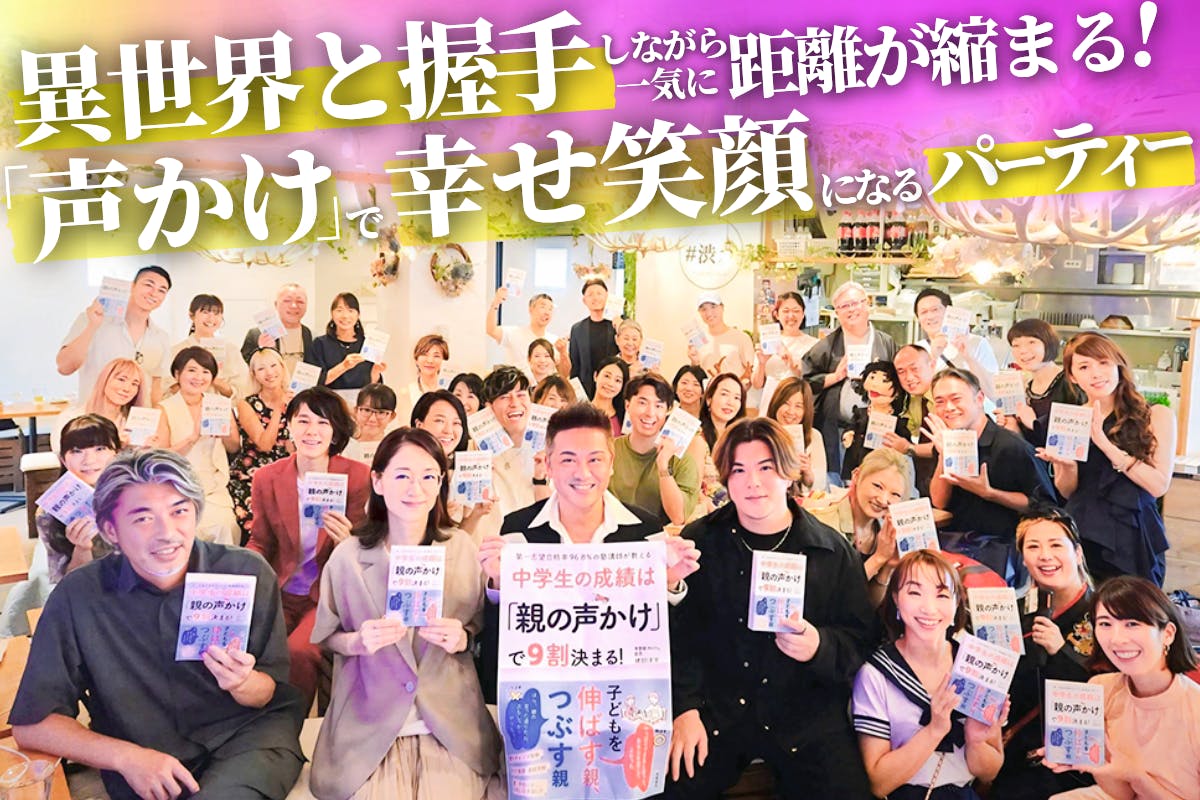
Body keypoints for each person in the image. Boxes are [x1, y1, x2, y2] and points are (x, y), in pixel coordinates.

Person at [11, 449, 305, 800]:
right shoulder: (79, 596)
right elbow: (32, 724)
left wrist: (242, 682)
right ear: (110, 530)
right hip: (144, 753)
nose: (168, 533)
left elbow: (267, 692)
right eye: (143, 518)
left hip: (248, 739)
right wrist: (125, 757)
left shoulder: (246, 572)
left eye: (179, 511)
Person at [667, 417, 875, 799]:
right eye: (738, 470)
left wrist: (819, 645)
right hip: (719, 710)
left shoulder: (831, 550)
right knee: (667, 787)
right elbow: (681, 637)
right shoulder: (701, 543)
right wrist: (685, 708)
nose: (753, 482)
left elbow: (862, 641)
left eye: (766, 468)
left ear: (788, 472)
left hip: (804, 713)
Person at [308, 428, 501, 800]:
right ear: (378, 481)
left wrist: (462, 638)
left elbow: (479, 630)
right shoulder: (348, 556)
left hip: (448, 720)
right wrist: (358, 641)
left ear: (441, 482)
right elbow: (328, 636)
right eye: (402, 476)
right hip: (370, 720)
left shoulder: (461, 548)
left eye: (429, 476)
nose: (417, 489)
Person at [476, 402, 701, 703]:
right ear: (549, 465)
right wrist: (498, 584)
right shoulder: (518, 532)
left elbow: (666, 643)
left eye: (595, 459)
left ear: (611, 463)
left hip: (622, 699)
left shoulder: (645, 532)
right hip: (546, 699)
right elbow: (503, 643)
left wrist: (669, 583)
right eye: (568, 459)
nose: (583, 473)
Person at [247, 387, 372, 710]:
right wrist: (245, 574)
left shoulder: (357, 476)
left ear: (335, 432)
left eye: (322, 423)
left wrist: (347, 542)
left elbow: (366, 544)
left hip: (327, 593)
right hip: (280, 589)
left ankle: (292, 722)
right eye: (303, 421)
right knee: (252, 644)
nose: (311, 431)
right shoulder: (267, 477)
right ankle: (256, 720)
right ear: (289, 425)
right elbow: (260, 541)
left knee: (300, 652)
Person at [852, 550, 1006, 800]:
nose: (929, 608)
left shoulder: (977, 665)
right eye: (914, 592)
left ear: (957, 603)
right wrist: (935, 729)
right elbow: (879, 784)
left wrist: (976, 740)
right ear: (896, 599)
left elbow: (989, 773)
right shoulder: (876, 674)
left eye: (942, 595)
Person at [1041, 576, 1200, 800]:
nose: (1117, 639)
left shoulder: (1195, 710)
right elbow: (1121, 795)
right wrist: (1097, 761)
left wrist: (1136, 776)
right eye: (1105, 624)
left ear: (1168, 634)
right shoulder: (1102, 688)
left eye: (1132, 624)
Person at [1037, 332, 1174, 585]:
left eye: (1103, 363)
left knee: (1134, 604)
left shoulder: (1155, 415)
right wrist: (1066, 466)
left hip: (1134, 533)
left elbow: (1158, 485)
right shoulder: (1070, 419)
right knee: (1084, 604)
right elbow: (1068, 491)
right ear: (1072, 376)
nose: (1096, 373)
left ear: (1118, 365)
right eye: (1084, 367)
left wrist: (1104, 443)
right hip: (1083, 530)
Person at [991, 507, 1099, 800]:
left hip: (1072, 754)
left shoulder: (1104, 615)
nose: (1045, 556)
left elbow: (1109, 690)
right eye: (1033, 547)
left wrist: (1059, 651)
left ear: (1077, 553)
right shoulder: (1015, 610)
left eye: (1055, 545)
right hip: (1007, 740)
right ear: (1023, 559)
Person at [925, 367, 1056, 586]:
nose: (948, 408)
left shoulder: (1011, 446)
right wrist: (943, 455)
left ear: (979, 399)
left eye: (956, 399)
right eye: (940, 401)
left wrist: (990, 493)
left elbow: (1044, 506)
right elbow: (939, 501)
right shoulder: (947, 441)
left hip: (1000, 556)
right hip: (956, 550)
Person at [802, 281, 898, 481]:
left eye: (856, 303)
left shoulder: (886, 343)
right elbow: (805, 382)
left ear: (867, 303)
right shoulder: (826, 345)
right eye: (844, 306)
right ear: (837, 312)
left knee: (874, 478)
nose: (852, 309)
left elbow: (898, 385)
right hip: (835, 430)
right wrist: (835, 376)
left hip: (876, 427)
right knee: (836, 480)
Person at [155, 346, 240, 545]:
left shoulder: (219, 404)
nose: (199, 377)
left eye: (205, 371)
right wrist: (192, 438)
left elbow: (234, 447)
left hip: (214, 487)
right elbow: (161, 456)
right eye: (192, 370)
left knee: (226, 526)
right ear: (177, 374)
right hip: (177, 486)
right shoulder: (165, 408)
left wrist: (226, 433)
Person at [810, 448, 911, 606]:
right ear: (856, 476)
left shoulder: (885, 534)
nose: (883, 500)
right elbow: (828, 599)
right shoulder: (822, 526)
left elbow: (870, 606)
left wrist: (888, 568)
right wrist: (878, 559)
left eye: (895, 494)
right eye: (877, 486)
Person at [57, 265, 172, 402]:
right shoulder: (93, 320)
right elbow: (64, 367)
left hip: (138, 414)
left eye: (161, 290)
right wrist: (92, 326)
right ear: (132, 286)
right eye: (148, 285)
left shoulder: (161, 338)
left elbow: (156, 386)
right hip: (96, 413)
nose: (154, 293)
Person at [37, 414, 119, 584]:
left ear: (117, 453)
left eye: (100, 449)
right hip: (94, 592)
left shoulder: (138, 495)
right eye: (76, 451)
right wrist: (82, 549)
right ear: (63, 460)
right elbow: (65, 584)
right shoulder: (50, 512)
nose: (89, 460)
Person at [611, 373, 701, 526]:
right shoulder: (609, 451)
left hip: (658, 538)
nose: (650, 413)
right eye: (642, 403)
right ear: (627, 405)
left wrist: (663, 467)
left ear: (668, 410)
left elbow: (678, 517)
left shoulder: (682, 461)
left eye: (658, 406)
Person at [229, 348, 294, 544]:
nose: (269, 372)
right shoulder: (246, 404)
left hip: (287, 470)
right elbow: (265, 444)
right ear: (254, 374)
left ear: (282, 367)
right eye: (261, 368)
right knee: (259, 527)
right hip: (253, 473)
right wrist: (279, 410)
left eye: (274, 366)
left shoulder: (296, 399)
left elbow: (295, 445)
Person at [1004, 318, 1084, 447]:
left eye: (1031, 342)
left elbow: (1075, 443)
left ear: (1049, 344)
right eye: (1016, 345)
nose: (1023, 350)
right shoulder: (1026, 389)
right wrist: (1014, 428)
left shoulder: (1071, 383)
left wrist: (1033, 423)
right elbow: (1030, 446)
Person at [50, 356, 153, 452]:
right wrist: (116, 447)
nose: (127, 388)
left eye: (134, 384)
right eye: (121, 379)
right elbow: (63, 454)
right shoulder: (71, 418)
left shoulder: (132, 423)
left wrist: (146, 449)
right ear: (105, 379)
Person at [913, 288, 1000, 397]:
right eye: (923, 312)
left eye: (935, 309)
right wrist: (933, 357)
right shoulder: (916, 350)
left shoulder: (976, 343)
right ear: (918, 319)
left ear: (949, 312)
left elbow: (993, 392)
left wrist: (969, 357)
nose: (930, 316)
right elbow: (916, 392)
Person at [164, 294, 249, 400]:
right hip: (185, 408)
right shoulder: (176, 351)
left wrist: (216, 380)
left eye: (216, 313)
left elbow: (242, 391)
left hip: (220, 408)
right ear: (192, 315)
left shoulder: (231, 350)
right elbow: (165, 390)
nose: (211, 318)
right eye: (205, 312)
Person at [841, 360, 909, 481]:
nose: (875, 385)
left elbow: (904, 442)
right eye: (872, 377)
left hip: (882, 467)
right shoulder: (860, 412)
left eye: (884, 380)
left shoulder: (897, 420)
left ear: (897, 392)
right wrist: (848, 433)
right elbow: (851, 426)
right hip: (855, 462)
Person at [887, 345, 939, 497]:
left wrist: (909, 448)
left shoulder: (945, 396)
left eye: (914, 368)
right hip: (922, 478)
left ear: (932, 365)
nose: (909, 377)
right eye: (901, 371)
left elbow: (948, 446)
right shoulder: (911, 399)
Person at [310, 292, 385, 395]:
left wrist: (376, 371)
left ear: (358, 315)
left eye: (350, 311)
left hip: (361, 402)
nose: (345, 316)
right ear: (332, 314)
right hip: (329, 401)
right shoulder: (320, 344)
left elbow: (373, 387)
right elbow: (314, 382)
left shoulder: (368, 344)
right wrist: (344, 366)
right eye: (339, 310)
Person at [764, 376, 827, 496]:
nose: (791, 411)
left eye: (798, 406)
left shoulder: (814, 436)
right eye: (786, 403)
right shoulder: (762, 434)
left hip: (800, 501)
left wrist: (807, 472)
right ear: (776, 403)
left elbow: (820, 485)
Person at [696, 372, 747, 514]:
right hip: (707, 513)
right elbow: (693, 488)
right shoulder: (698, 437)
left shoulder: (741, 440)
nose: (730, 402)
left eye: (737, 398)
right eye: (724, 394)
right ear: (709, 399)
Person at [486, 289, 566, 377]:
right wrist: (496, 303)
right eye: (542, 307)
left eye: (550, 309)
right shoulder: (514, 333)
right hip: (517, 384)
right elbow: (491, 330)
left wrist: (563, 353)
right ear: (531, 309)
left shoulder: (554, 340)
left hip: (544, 385)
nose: (547, 312)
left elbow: (564, 373)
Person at [751, 291, 819, 391]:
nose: (791, 316)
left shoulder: (814, 344)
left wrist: (793, 365)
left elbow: (816, 382)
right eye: (786, 311)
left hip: (799, 398)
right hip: (771, 398)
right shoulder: (768, 340)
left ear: (803, 314)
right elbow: (756, 385)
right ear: (777, 315)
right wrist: (761, 364)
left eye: (796, 311)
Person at [241, 282, 314, 373]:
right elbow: (242, 369)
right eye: (287, 301)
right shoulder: (256, 334)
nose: (294, 306)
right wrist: (261, 352)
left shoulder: (310, 335)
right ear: (276, 304)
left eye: (300, 302)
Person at [568, 277, 620, 399]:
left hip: (614, 390)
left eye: (599, 293)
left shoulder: (618, 325)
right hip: (587, 392)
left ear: (607, 296)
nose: (595, 298)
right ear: (584, 300)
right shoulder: (577, 329)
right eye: (590, 294)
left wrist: (620, 326)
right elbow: (575, 366)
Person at [689, 291, 755, 381]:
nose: (709, 313)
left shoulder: (742, 338)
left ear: (722, 307)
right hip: (706, 390)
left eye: (713, 307)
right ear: (699, 312)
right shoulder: (699, 339)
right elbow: (697, 376)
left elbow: (750, 374)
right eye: (703, 309)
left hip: (735, 389)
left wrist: (737, 388)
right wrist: (694, 362)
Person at [342, 384, 398, 466]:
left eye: (381, 412)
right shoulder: (343, 446)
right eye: (367, 410)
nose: (372, 419)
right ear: (356, 411)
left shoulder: (396, 447)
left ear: (392, 416)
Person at [591, 355, 629, 436]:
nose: (611, 384)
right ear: (595, 376)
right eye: (607, 376)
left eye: (617, 380)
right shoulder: (579, 412)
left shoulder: (625, 418)